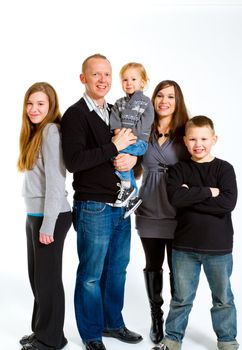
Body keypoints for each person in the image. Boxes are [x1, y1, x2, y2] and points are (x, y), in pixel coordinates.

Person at [61, 53, 143, 350]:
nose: (103, 80)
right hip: (93, 206)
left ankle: (113, 323)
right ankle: (92, 334)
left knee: (117, 269)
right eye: (96, 74)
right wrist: (112, 147)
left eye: (107, 74)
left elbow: (131, 149)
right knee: (91, 274)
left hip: (122, 205)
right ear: (83, 78)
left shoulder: (117, 111)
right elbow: (74, 161)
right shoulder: (75, 115)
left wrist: (132, 156)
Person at [153, 116, 239, 350]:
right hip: (184, 247)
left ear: (214, 139)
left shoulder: (224, 169)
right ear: (185, 141)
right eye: (192, 139)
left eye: (203, 138)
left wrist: (191, 195)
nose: (198, 144)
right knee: (181, 299)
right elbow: (175, 199)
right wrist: (209, 192)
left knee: (223, 299)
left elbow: (227, 203)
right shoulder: (179, 169)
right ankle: (172, 339)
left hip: (218, 248)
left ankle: (227, 340)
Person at [17, 82, 72, 350]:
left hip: (52, 216)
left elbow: (55, 181)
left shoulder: (51, 131)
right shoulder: (35, 132)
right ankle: (43, 332)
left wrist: (48, 223)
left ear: (51, 107)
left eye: (40, 104)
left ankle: (50, 341)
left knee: (47, 280)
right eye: (30, 103)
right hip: (35, 215)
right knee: (37, 278)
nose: (34, 109)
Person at [135, 80, 190, 344]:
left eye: (170, 96)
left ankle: (174, 325)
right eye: (159, 95)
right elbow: (131, 162)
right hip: (148, 208)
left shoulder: (185, 132)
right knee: (153, 266)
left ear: (177, 102)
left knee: (178, 271)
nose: (164, 101)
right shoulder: (143, 128)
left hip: (179, 212)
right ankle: (156, 317)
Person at [110, 62, 154, 218]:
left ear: (142, 82)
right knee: (117, 155)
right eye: (125, 80)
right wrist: (118, 133)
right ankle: (132, 197)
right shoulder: (119, 103)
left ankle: (128, 187)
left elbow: (145, 123)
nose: (129, 83)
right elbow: (114, 121)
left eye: (133, 79)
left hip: (139, 141)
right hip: (123, 139)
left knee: (118, 155)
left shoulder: (146, 103)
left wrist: (127, 137)